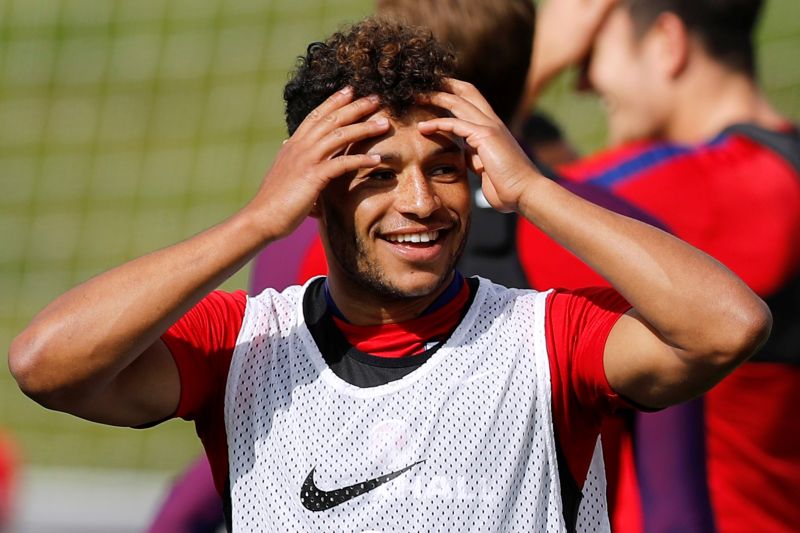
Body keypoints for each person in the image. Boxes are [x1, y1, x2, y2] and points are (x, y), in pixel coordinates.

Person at [9, 18, 771, 532]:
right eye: (380, 173)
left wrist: (534, 188)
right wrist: (255, 222)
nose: (420, 202)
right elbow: (47, 364)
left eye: (444, 169)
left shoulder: (549, 338)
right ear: (315, 189)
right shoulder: (244, 342)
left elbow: (728, 325)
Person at [520, 1, 800, 531]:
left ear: (668, 42)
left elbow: (479, 201)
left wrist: (534, 60)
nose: (583, 84)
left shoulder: (719, 189)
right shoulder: (776, 172)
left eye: (592, 54)